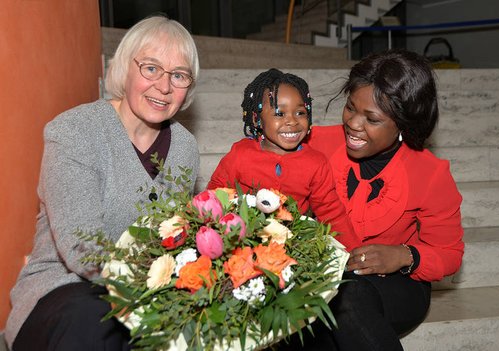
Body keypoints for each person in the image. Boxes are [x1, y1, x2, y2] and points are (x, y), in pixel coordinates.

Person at [5, 15, 200, 350]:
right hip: (65, 290)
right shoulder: (75, 131)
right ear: (125, 67)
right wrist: (150, 291)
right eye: (151, 68)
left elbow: (174, 237)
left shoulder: (185, 148)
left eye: (178, 75)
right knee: (101, 323)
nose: (164, 87)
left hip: (149, 293)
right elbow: (83, 249)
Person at [280, 49, 465, 350]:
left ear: (403, 124)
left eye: (372, 119)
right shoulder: (315, 144)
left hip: (397, 285)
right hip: (324, 278)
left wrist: (404, 256)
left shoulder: (430, 173)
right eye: (351, 108)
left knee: (344, 298)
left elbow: (450, 254)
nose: (354, 123)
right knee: (304, 319)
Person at [207, 68, 356, 247]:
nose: (292, 121)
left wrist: (353, 250)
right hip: (244, 241)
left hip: (295, 244)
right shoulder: (241, 154)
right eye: (279, 113)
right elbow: (214, 197)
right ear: (256, 120)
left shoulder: (316, 162)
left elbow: (331, 211)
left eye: (300, 113)